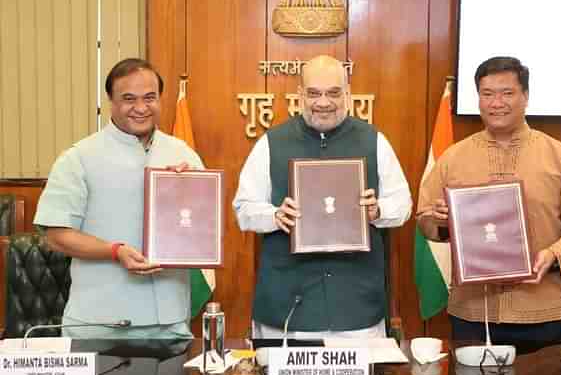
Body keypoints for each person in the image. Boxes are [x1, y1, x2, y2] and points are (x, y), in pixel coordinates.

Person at [416, 56, 561, 346]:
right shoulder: (453, 159)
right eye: (487, 94)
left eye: (507, 93)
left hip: (539, 311)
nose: (496, 103)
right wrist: (442, 222)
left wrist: (553, 255)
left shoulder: (560, 157)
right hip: (472, 314)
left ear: (525, 97)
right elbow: (425, 221)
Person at [233, 55, 412, 339]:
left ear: (348, 94)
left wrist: (377, 211)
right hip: (288, 309)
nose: (323, 102)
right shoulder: (271, 142)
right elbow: (244, 208)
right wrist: (275, 216)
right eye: (314, 93)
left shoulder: (374, 140)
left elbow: (402, 204)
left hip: (356, 308)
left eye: (333, 93)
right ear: (300, 95)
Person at [34, 58, 204, 339]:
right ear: (111, 101)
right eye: (129, 99)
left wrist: (189, 191)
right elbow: (56, 235)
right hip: (98, 324)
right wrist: (115, 251)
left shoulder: (183, 155)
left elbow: (202, 229)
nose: (140, 108)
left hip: (170, 324)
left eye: (150, 98)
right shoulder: (79, 158)